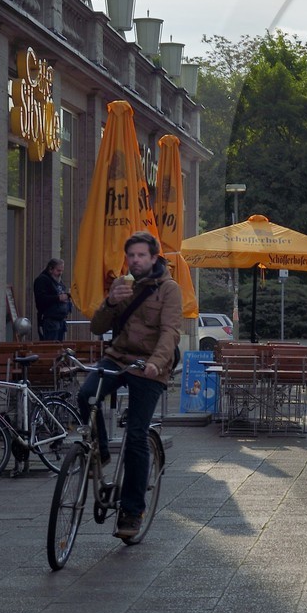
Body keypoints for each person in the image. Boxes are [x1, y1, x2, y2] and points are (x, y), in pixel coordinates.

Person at [80, 230, 182, 540]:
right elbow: (98, 327)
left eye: (141, 255)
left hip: (149, 366)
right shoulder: (121, 286)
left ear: (153, 258)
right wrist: (110, 302)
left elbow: (170, 333)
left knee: (136, 434)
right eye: (131, 255)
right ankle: (100, 452)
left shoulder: (169, 290)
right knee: (86, 396)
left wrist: (156, 362)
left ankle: (132, 510)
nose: (135, 261)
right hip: (117, 358)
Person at [33, 258, 74, 342]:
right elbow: (41, 299)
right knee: (51, 346)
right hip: (50, 320)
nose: (60, 273)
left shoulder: (57, 281)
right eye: (58, 271)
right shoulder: (42, 280)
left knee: (59, 346)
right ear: (50, 269)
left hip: (60, 320)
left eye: (61, 271)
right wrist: (58, 298)